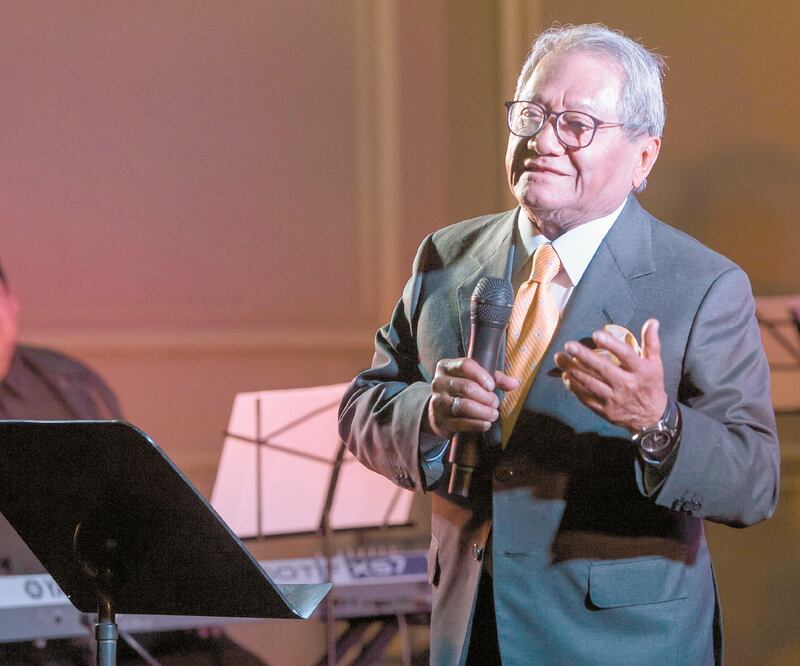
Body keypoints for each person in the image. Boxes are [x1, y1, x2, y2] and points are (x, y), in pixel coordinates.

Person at [338, 23, 779, 665]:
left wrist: (658, 425)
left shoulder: (704, 285)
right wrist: (430, 414)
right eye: (531, 115)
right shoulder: (447, 256)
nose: (542, 140)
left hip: (619, 644)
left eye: (576, 124)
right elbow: (363, 407)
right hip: (468, 632)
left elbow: (755, 481)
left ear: (643, 157)